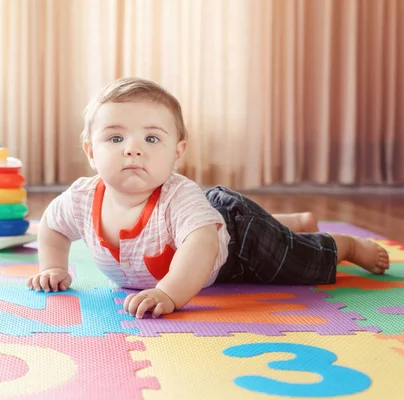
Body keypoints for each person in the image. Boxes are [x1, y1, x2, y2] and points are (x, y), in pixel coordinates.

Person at [27, 77, 390, 319]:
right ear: (91, 151)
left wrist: (169, 293)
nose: (133, 150)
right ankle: (288, 222)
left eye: (151, 139)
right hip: (215, 219)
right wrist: (54, 267)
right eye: (116, 138)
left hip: (241, 241)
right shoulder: (80, 197)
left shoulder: (177, 196)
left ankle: (344, 245)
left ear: (177, 152)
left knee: (299, 261)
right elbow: (53, 229)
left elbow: (200, 245)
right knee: (263, 231)